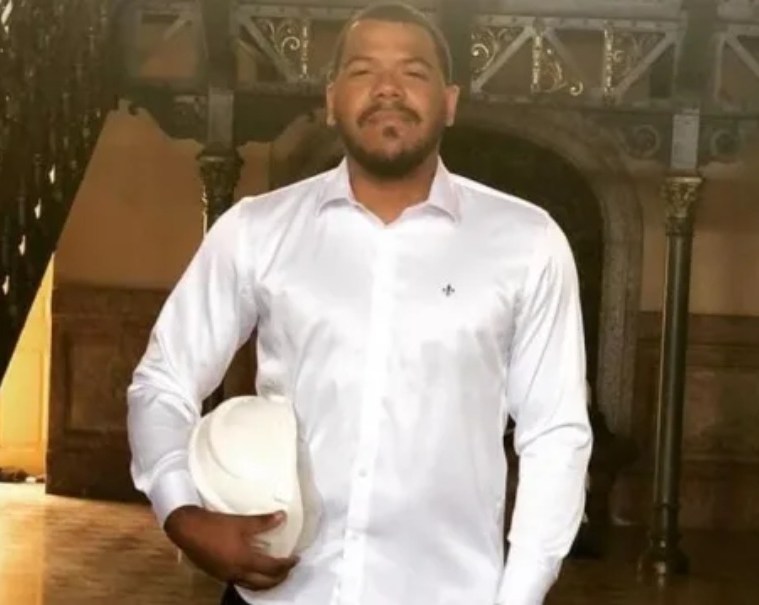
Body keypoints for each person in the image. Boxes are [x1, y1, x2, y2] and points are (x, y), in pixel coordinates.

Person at [126, 3, 593, 604]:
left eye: (414, 72)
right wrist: (181, 513)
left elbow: (554, 434)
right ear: (331, 99)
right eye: (364, 70)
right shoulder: (257, 231)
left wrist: (520, 595)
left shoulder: (528, 244)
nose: (388, 89)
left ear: (450, 102)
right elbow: (163, 379)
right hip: (282, 594)